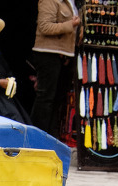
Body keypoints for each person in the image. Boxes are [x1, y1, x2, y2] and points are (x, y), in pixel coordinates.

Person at [30, 0, 80, 136]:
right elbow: (45, 26)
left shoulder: (72, 3)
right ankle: (37, 135)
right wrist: (71, 24)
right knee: (46, 97)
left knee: (57, 98)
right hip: (48, 53)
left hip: (65, 54)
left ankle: (49, 135)